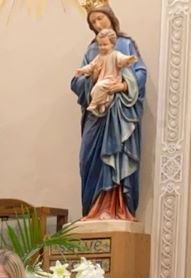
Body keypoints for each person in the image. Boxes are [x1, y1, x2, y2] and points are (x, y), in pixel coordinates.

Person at [70, 4, 147, 221]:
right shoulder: (92, 50)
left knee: (115, 157)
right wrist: (91, 78)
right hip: (96, 115)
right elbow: (77, 82)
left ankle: (116, 209)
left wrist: (122, 86)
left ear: (110, 17)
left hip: (119, 113)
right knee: (88, 158)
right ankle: (94, 210)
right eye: (93, 22)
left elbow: (140, 73)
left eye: (100, 18)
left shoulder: (125, 44)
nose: (97, 24)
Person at [74, 29, 137, 116]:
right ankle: (102, 103)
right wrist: (82, 70)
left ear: (112, 44)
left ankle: (94, 104)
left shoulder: (116, 54)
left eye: (105, 45)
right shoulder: (99, 57)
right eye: (100, 45)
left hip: (112, 80)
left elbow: (122, 60)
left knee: (99, 87)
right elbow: (91, 66)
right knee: (94, 91)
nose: (102, 47)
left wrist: (128, 59)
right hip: (102, 80)